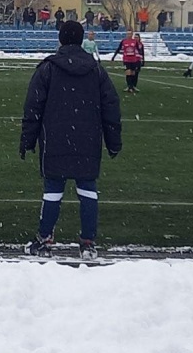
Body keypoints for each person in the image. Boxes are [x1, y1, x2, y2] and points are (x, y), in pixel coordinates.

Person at [20, 21, 122, 260]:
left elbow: (33, 107)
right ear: (81, 39)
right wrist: (113, 141)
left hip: (55, 139)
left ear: (61, 39)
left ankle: (44, 239)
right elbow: (111, 107)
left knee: (53, 191)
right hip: (87, 139)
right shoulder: (95, 69)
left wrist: (27, 140)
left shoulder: (48, 68)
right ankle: (88, 243)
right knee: (87, 191)